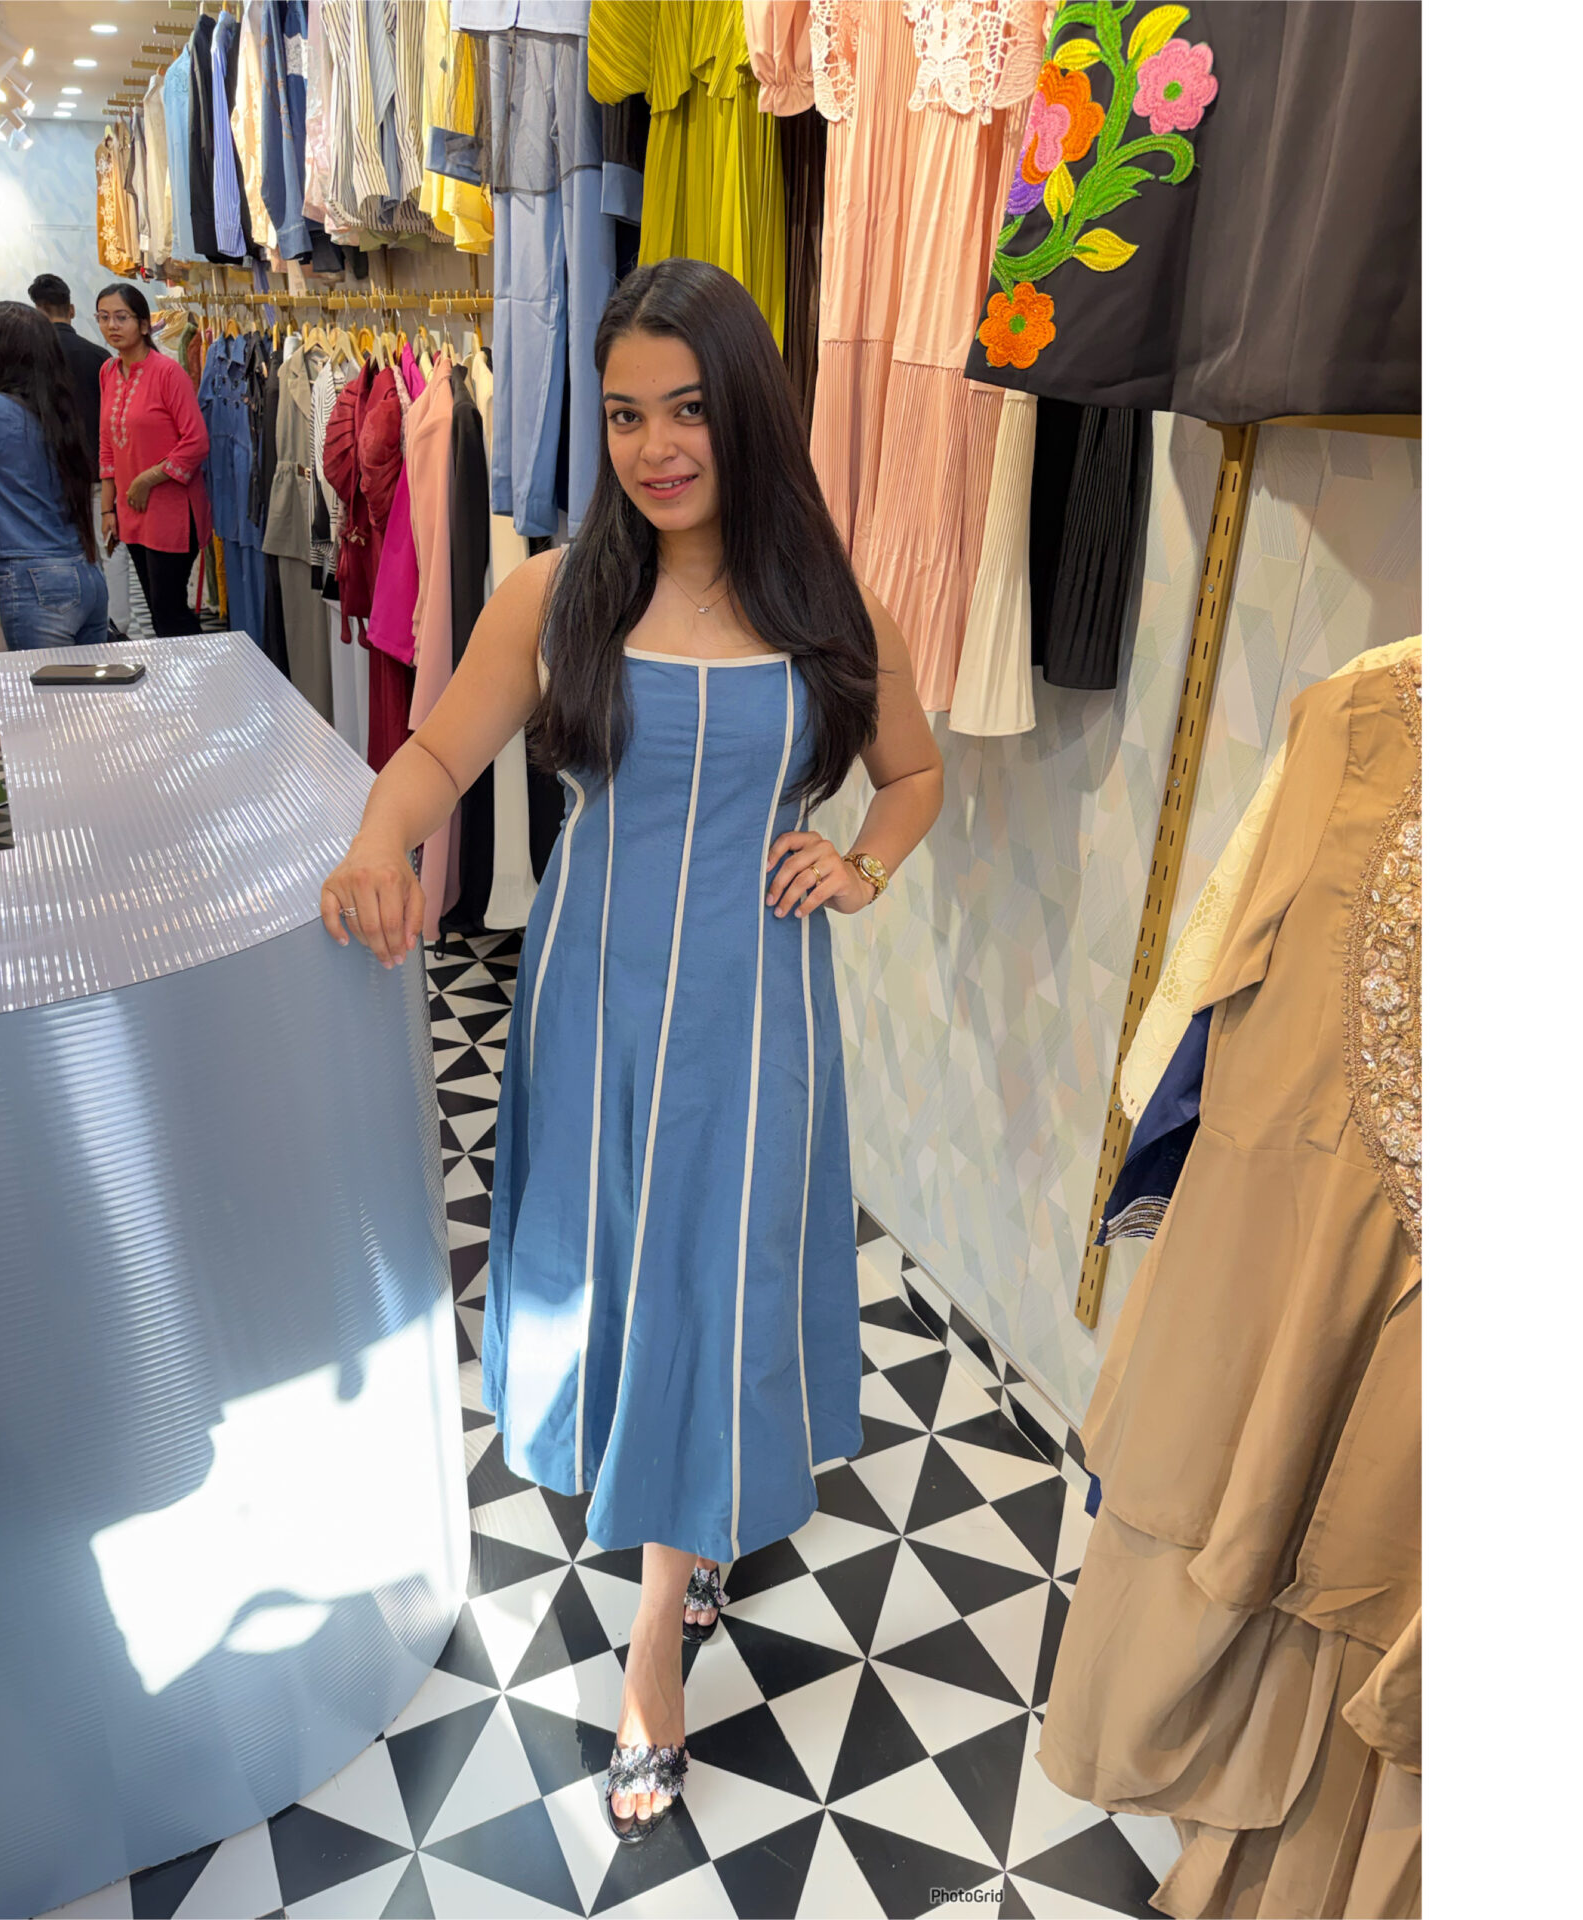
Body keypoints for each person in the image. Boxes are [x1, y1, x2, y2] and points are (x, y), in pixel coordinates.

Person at [320, 260, 944, 1843]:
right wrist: (380, 841)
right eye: (622, 416)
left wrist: (863, 866)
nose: (656, 447)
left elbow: (916, 774)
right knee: (626, 1281)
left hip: (757, 1010)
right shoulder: (557, 594)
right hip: (590, 1001)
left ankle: (655, 1643)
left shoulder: (828, 605)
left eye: (688, 410)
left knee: (707, 1284)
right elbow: (436, 750)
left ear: (748, 413)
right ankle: (687, 1536)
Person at [0, 301, 110, 649]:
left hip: (38, 583)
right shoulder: (55, 410)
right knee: (88, 686)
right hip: (85, 573)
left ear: (3, 351)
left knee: (46, 687)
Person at [93, 282, 211, 638]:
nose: (112, 326)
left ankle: (207, 672)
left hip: (172, 510)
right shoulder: (108, 372)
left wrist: (147, 479)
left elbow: (197, 442)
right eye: (103, 317)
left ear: (144, 324)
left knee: (170, 611)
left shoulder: (168, 373)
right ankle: (175, 674)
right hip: (132, 511)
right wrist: (108, 509)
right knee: (158, 613)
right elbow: (107, 445)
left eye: (121, 317)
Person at [27, 273, 109, 468]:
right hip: (97, 467)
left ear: (37, 316)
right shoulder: (101, 357)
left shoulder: (28, 358)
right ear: (71, 310)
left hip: (48, 467)